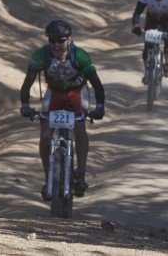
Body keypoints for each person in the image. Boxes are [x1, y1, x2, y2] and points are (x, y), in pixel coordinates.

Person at [19, 19, 105, 200]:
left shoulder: (80, 56)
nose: (56, 45)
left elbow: (96, 84)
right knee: (44, 135)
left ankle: (80, 174)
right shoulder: (41, 55)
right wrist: (25, 105)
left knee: (80, 128)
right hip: (54, 93)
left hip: (77, 93)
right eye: (52, 41)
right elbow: (27, 83)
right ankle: (48, 177)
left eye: (61, 40)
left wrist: (99, 107)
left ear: (70, 40)